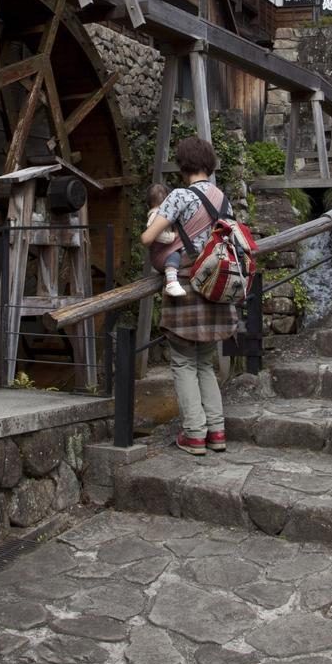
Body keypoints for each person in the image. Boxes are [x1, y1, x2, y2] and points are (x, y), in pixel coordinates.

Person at [140, 136, 237, 456]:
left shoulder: (179, 196)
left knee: (183, 362)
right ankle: (217, 431)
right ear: (209, 164)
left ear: (183, 167)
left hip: (185, 288)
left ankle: (195, 435)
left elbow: (148, 237)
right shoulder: (224, 199)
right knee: (205, 362)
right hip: (214, 288)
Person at [145, 182, 185, 297]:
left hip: (162, 255)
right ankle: (171, 283)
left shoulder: (161, 213)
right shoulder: (155, 214)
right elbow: (154, 233)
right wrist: (173, 236)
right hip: (162, 256)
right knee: (175, 255)